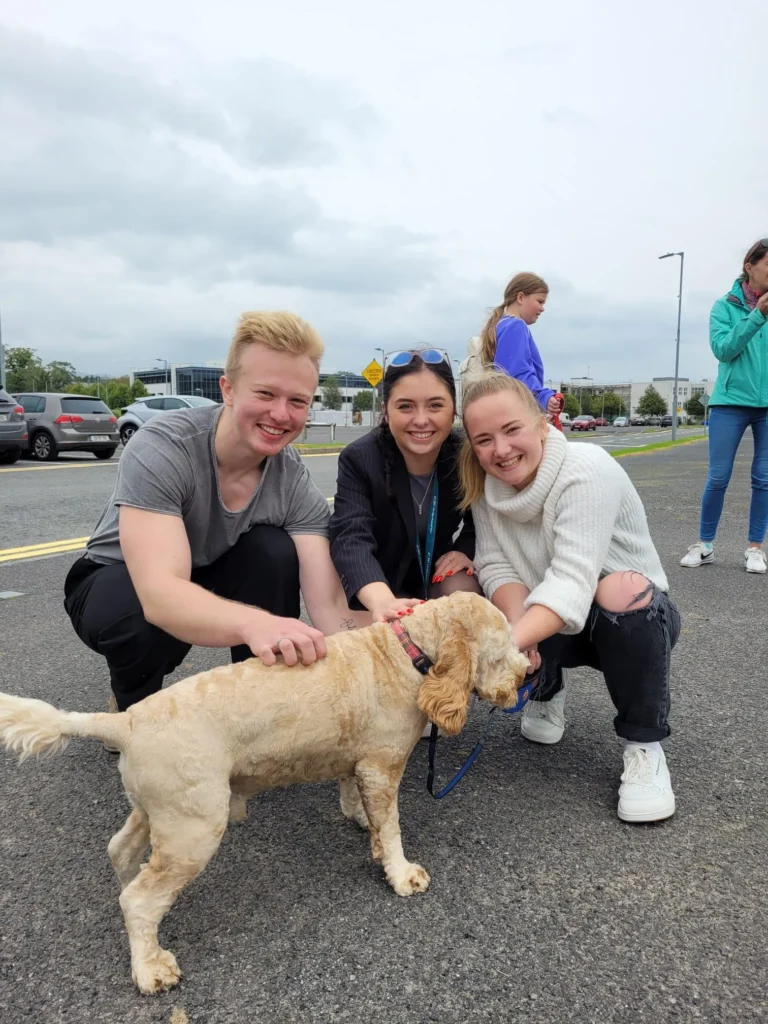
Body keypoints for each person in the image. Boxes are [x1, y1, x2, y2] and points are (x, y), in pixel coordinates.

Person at [63, 311, 393, 713]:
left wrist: (402, 628)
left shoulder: (292, 479)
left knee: (272, 550)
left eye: (298, 401)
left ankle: (260, 710)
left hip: (207, 574)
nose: (281, 415)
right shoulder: (163, 447)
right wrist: (257, 623)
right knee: (139, 623)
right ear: (228, 389)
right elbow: (162, 596)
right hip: (120, 583)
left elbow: (329, 612)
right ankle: (135, 710)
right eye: (266, 394)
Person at [460, 372, 681, 823]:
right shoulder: (485, 488)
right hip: (552, 615)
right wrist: (521, 639)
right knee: (503, 603)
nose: (500, 449)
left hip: (630, 618)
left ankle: (644, 747)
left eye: (512, 430)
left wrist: (505, 647)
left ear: (542, 424)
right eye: (484, 440)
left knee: (618, 588)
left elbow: (572, 581)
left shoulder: (585, 468)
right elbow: (497, 566)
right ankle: (548, 688)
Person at [330, 349, 481, 624]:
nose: (421, 420)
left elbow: (483, 519)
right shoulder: (360, 458)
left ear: (453, 411)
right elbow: (350, 536)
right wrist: (382, 601)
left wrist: (465, 550)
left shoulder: (466, 455)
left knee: (462, 590)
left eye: (435, 405)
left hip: (436, 575)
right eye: (405, 406)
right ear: (386, 411)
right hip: (380, 584)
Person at [680, 238, 768, 574]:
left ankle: (755, 548)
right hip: (730, 402)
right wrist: (758, 315)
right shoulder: (724, 306)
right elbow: (724, 350)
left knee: (764, 477)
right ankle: (705, 545)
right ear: (750, 266)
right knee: (719, 476)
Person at [463, 272, 562, 420]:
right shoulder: (516, 326)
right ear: (520, 297)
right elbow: (517, 375)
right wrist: (543, 396)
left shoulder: (499, 325)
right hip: (517, 412)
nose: (542, 309)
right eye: (540, 301)